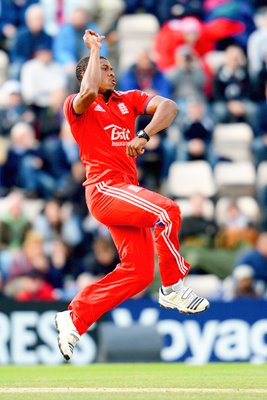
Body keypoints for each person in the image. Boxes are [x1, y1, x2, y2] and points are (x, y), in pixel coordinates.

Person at [55, 29, 209, 361]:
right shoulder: (77, 105)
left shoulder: (128, 99)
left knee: (138, 273)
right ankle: (173, 289)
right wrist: (95, 51)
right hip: (104, 189)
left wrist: (144, 133)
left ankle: (74, 317)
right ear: (89, 73)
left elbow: (168, 106)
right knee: (167, 212)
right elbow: (85, 90)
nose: (112, 73)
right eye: (105, 69)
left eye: (111, 68)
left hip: (125, 191)